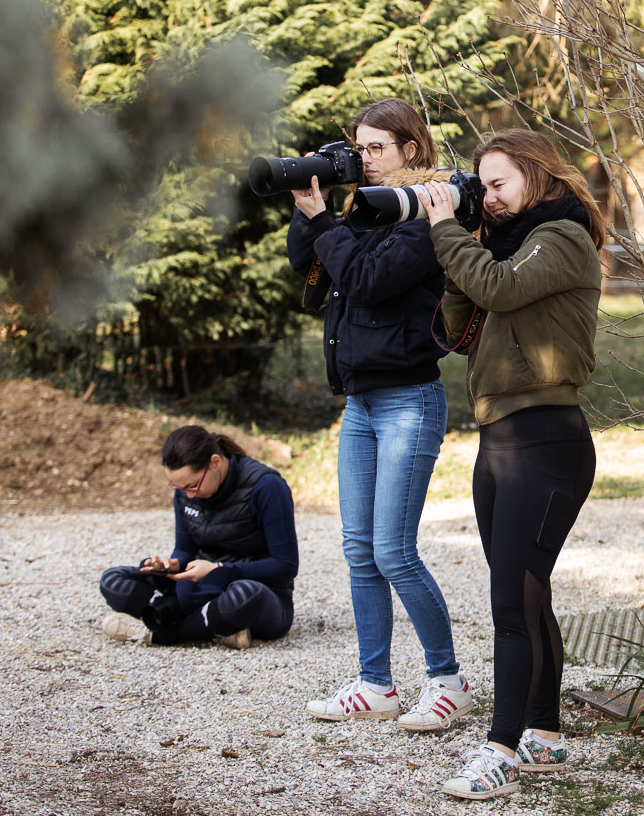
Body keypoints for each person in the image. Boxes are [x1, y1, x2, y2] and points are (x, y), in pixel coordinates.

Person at [418, 128, 606, 801]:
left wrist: (450, 233)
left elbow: (496, 287)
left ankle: (501, 749)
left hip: (546, 441)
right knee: (527, 594)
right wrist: (461, 236)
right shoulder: (507, 243)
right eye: (484, 186)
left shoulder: (562, 238)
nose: (489, 197)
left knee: (510, 604)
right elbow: (466, 320)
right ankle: (546, 734)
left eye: (499, 184)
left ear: (536, 173)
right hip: (500, 437)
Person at [287, 97, 475, 731]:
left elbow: (368, 279)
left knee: (394, 550)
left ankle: (448, 680)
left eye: (377, 149)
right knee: (358, 550)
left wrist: (326, 224)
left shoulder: (428, 208)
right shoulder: (360, 208)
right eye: (359, 148)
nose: (364, 159)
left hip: (408, 402)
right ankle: (375, 684)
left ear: (411, 151)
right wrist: (309, 206)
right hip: (361, 405)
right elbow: (312, 281)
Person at [99, 426, 299, 649]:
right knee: (112, 580)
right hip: (197, 588)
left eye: (192, 485)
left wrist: (219, 568)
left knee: (244, 595)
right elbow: (184, 550)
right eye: (177, 486)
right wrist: (171, 565)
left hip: (259, 594)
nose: (188, 494)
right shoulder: (186, 490)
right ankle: (213, 627)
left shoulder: (267, 486)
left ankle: (162, 634)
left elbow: (286, 565)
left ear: (215, 462)